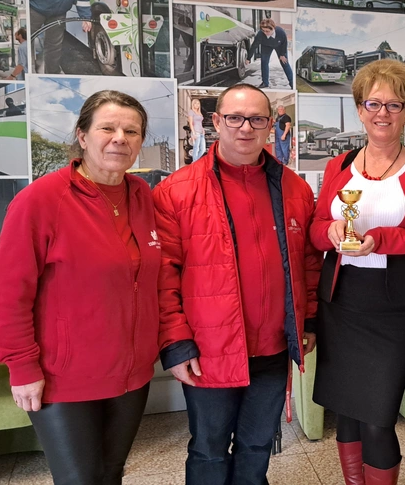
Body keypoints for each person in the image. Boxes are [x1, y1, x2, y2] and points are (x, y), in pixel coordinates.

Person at [0, 90, 162, 484]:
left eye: (132, 131)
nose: (120, 139)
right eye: (107, 128)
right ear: (82, 136)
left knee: (111, 473)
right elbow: (8, 296)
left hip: (132, 373)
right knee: (80, 479)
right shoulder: (40, 201)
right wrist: (21, 366)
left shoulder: (142, 197)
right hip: (64, 377)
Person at [152, 83, 322, 485]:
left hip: (273, 349)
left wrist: (309, 321)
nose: (245, 128)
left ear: (270, 125)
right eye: (234, 118)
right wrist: (176, 345)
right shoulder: (175, 191)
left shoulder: (295, 188)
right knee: (209, 450)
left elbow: (308, 263)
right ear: (216, 122)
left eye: (257, 119)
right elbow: (163, 275)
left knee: (257, 446)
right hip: (208, 350)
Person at [309, 59, 405, 485]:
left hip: (395, 307)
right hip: (342, 301)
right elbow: (315, 229)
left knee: (377, 419)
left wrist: (380, 239)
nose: (382, 112)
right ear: (360, 109)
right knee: (347, 412)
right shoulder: (338, 165)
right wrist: (331, 231)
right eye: (373, 103)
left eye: (394, 104)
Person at [30, 0, 92, 74]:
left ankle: (52, 73)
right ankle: (27, 70)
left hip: (59, 12)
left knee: (54, 45)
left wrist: (85, 16)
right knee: (27, 41)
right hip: (35, 8)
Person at [245, 18, 294, 89]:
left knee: (284, 63)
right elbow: (254, 46)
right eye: (263, 31)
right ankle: (265, 83)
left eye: (267, 31)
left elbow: (284, 42)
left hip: (279, 46)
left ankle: (292, 83)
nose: (265, 33)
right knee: (264, 62)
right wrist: (248, 58)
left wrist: (282, 54)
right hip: (266, 46)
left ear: (273, 28)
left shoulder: (280, 32)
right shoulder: (260, 34)